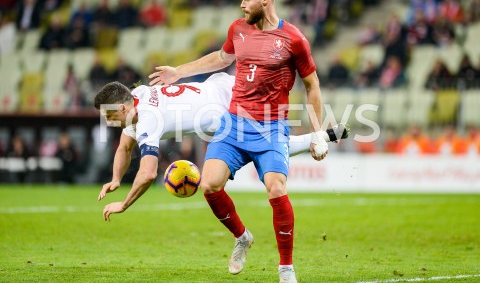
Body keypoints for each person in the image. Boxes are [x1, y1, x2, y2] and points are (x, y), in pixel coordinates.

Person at [148, 0, 327, 283]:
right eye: (241, 0)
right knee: (209, 184)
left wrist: (321, 131)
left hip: (271, 128)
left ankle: (286, 269)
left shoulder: (293, 39)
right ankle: (242, 237)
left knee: (276, 187)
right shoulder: (238, 29)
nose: (242, 5)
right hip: (234, 124)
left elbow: (312, 86)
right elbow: (221, 58)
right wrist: (179, 72)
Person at [95, 76, 346, 211]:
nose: (109, 122)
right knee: (269, 138)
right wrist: (116, 178)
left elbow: (148, 174)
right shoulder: (136, 96)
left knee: (267, 148)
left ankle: (319, 137)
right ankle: (325, 136)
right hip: (220, 83)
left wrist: (124, 204)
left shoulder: (148, 120)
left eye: (109, 116)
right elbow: (124, 147)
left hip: (222, 114)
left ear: (121, 107)